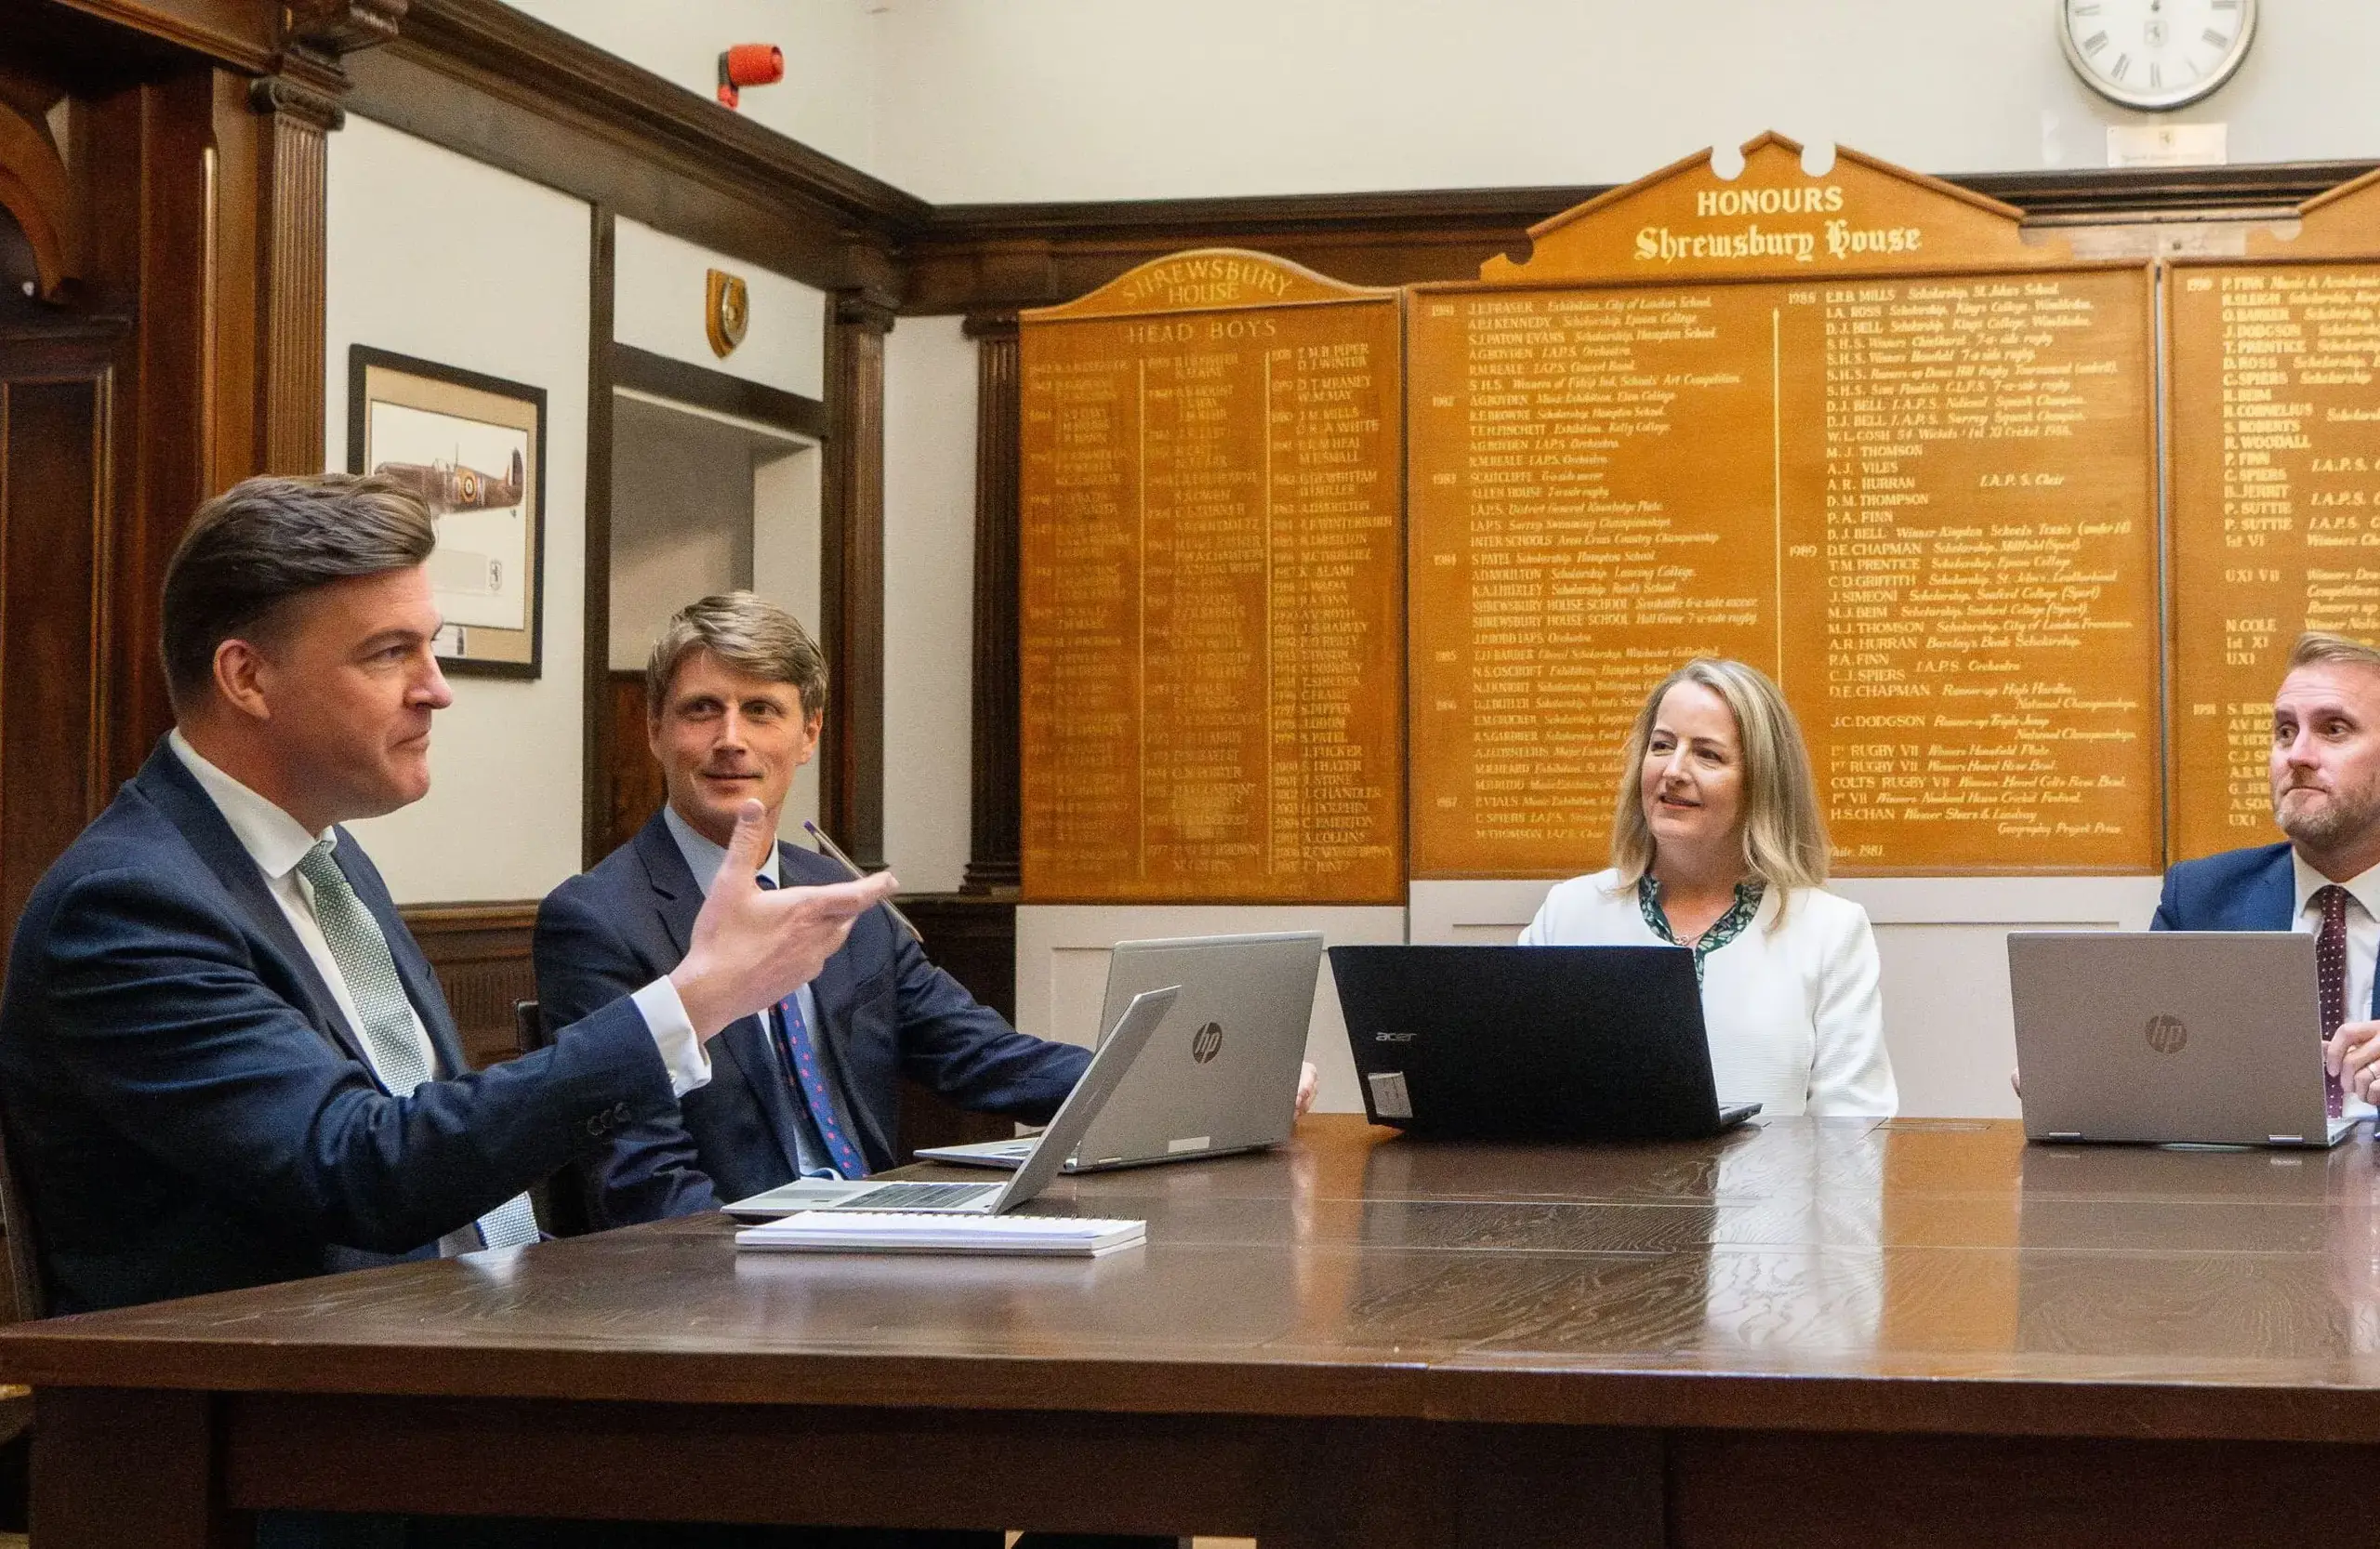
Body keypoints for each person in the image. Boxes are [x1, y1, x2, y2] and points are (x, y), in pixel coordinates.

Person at [0, 474, 894, 1317]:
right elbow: (366, 1171)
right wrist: (692, 1002)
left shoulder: (330, 859)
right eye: (391, 653)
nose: (436, 690)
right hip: (274, 1420)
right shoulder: (128, 906)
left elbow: (432, 1144)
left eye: (433, 647)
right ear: (247, 678)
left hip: (449, 1329)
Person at [536, 592, 1315, 1225]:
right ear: (654, 731)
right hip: (731, 1275)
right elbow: (644, 1182)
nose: (731, 739)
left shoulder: (843, 899)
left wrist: (1193, 1087)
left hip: (872, 1234)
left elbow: (985, 1057)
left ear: (807, 734)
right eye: (702, 709)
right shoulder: (599, 919)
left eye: (761, 711)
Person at [1518, 656, 1897, 1117]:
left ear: (1761, 785)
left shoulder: (1829, 930)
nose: (1674, 770)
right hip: (1598, 1190)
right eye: (1661, 746)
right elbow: (1515, 1088)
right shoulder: (1569, 913)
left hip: (1771, 1190)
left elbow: (1851, 1129)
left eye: (1707, 754)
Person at [2151, 631, 2380, 1117]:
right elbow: (2152, 1073)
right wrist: (2088, 1080)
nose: (2297, 755)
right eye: (2284, 731)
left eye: (2334, 729)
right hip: (2245, 1186)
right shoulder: (2199, 899)